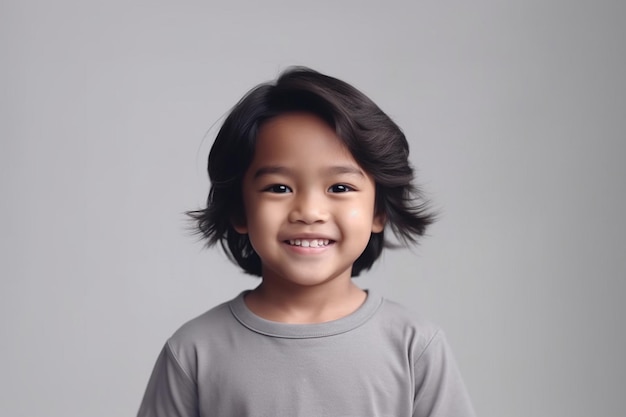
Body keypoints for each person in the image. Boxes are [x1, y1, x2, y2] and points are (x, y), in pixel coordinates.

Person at [137, 67, 476, 417]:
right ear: (240, 210)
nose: (310, 212)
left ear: (379, 211)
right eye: (279, 188)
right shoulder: (194, 351)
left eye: (340, 188)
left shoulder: (414, 346)